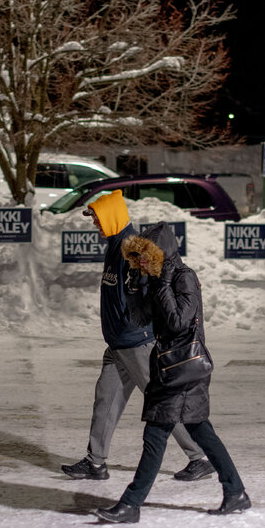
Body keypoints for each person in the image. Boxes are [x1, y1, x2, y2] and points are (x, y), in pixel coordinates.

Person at [94, 222, 250, 524]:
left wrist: (163, 284)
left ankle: (131, 504)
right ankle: (236, 492)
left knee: (155, 437)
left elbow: (178, 321)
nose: (141, 262)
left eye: (145, 256)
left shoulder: (183, 277)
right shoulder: (155, 278)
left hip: (184, 370)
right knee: (202, 432)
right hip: (169, 368)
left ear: (160, 252)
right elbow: (142, 319)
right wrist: (135, 288)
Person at [61, 190, 215, 482]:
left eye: (97, 217)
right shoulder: (114, 245)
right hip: (118, 345)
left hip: (137, 344)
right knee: (105, 400)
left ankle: (200, 456)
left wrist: (138, 326)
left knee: (165, 401)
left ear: (111, 216)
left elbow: (148, 290)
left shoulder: (131, 247)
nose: (94, 223)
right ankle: (95, 462)